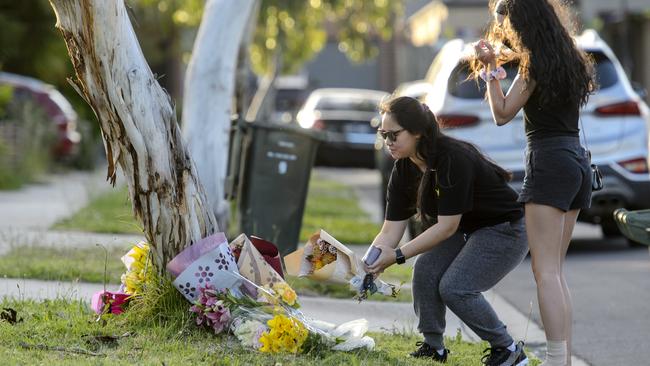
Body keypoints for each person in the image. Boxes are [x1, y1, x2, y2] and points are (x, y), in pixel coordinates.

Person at [472, 1, 595, 365]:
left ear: (522, 22)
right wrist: (499, 57)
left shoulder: (534, 65)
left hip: (549, 163)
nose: (505, 31)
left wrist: (491, 70)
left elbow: (502, 114)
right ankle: (564, 358)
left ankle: (558, 361)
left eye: (506, 23)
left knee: (544, 272)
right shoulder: (568, 58)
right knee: (556, 272)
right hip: (576, 163)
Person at [365, 96, 529, 366]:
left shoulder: (452, 159)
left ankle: (509, 350)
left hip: (505, 230)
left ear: (417, 131)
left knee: (456, 287)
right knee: (426, 269)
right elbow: (390, 230)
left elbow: (447, 227)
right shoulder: (403, 168)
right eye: (384, 135)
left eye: (394, 135)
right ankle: (434, 348)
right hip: (468, 230)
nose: (388, 142)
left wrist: (396, 256)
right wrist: (369, 263)